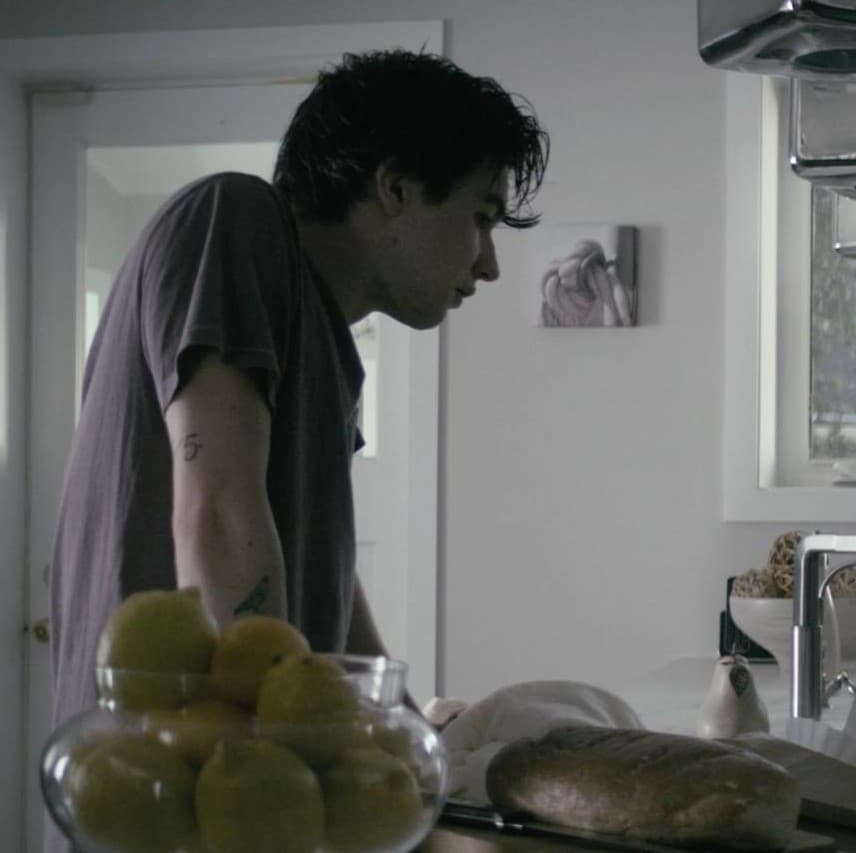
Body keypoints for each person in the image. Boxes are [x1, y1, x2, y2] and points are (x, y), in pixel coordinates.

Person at [48, 50, 549, 747]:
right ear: (396, 188)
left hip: (238, 766)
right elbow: (218, 512)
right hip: (172, 772)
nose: (488, 264)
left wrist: (406, 734)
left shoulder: (325, 345)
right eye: (481, 217)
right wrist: (275, 758)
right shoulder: (233, 217)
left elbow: (329, 580)